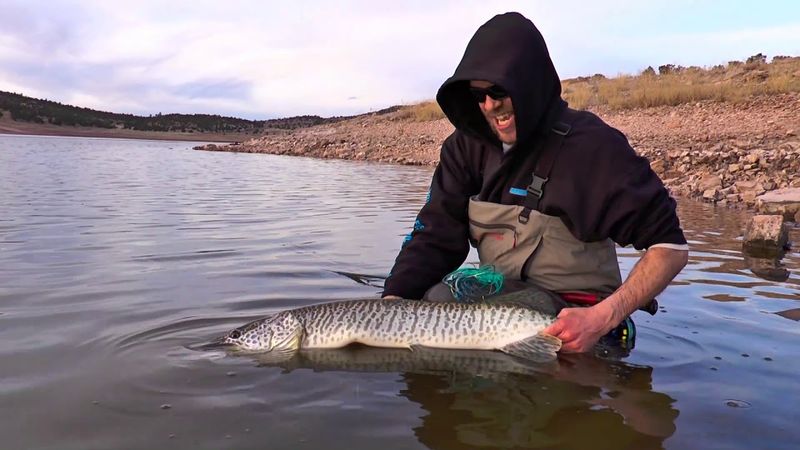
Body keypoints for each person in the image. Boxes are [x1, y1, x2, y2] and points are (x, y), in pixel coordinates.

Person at [381, 12, 689, 354]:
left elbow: (670, 250)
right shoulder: (464, 148)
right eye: (478, 95)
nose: (489, 105)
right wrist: (391, 304)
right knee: (435, 300)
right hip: (502, 309)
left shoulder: (595, 148)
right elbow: (434, 235)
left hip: (581, 321)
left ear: (529, 82)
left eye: (498, 90)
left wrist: (602, 318)